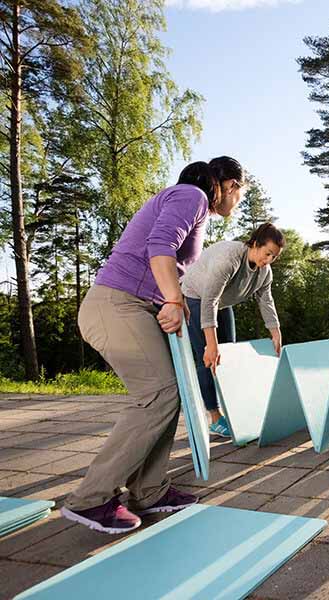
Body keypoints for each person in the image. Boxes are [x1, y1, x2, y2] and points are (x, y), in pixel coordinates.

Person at [61, 157, 244, 534]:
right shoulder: (191, 195)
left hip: (135, 307)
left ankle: (149, 491)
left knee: (168, 394)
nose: (239, 198)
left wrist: (171, 303)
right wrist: (175, 301)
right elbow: (159, 248)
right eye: (241, 190)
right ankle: (91, 498)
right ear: (227, 184)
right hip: (116, 304)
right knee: (158, 393)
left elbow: (165, 261)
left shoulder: (193, 205)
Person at [180, 223, 285, 437]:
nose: (269, 260)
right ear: (255, 244)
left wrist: (275, 333)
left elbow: (266, 301)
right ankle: (215, 417)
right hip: (197, 297)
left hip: (222, 303)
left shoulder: (265, 272)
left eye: (273, 257)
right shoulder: (229, 259)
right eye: (267, 254)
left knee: (228, 355)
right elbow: (209, 301)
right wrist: (211, 344)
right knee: (208, 357)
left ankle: (232, 409)